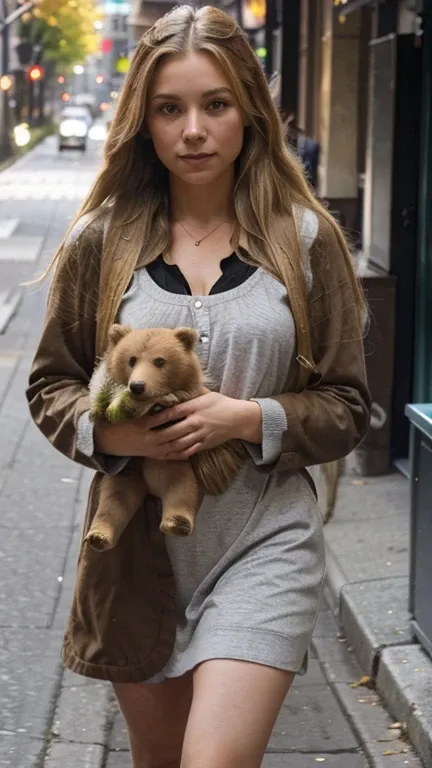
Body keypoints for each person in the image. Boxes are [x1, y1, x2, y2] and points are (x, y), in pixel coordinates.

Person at [26, 5, 371, 768]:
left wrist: (249, 417)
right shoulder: (101, 242)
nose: (193, 130)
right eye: (169, 109)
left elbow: (349, 406)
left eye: (215, 104)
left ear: (248, 110)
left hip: (264, 542)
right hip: (135, 564)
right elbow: (49, 386)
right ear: (144, 123)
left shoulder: (306, 241)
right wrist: (108, 432)